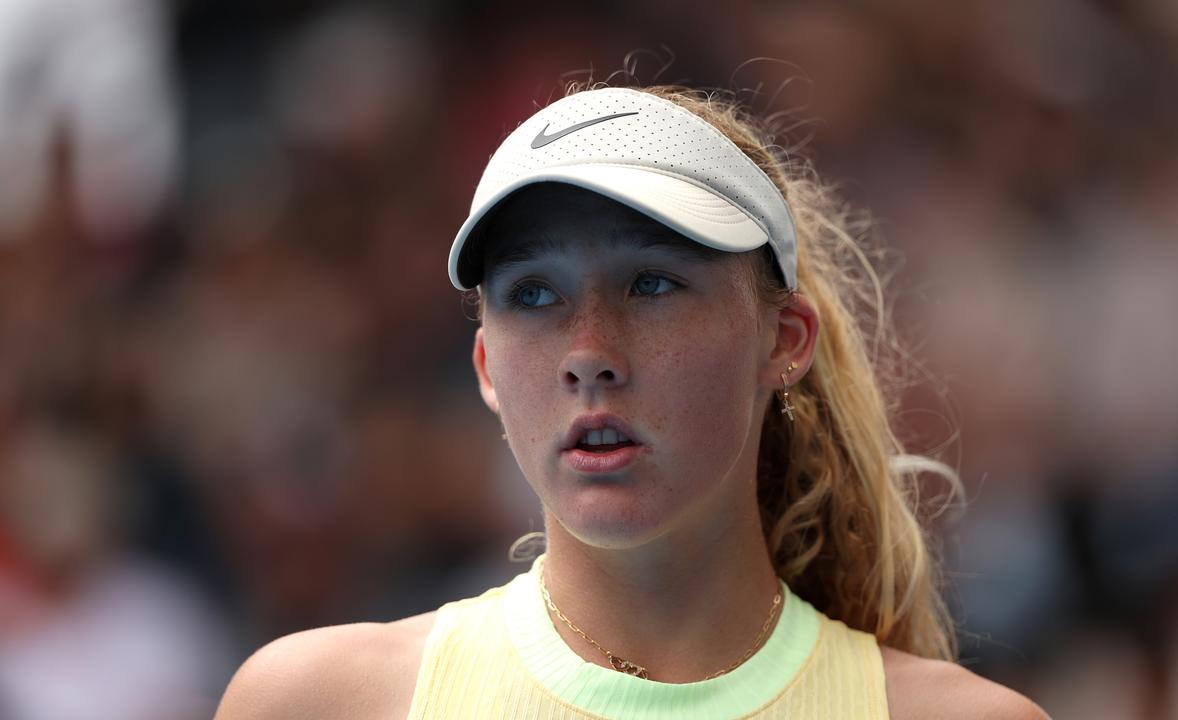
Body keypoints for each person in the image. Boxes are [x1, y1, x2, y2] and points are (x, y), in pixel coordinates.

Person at [214, 83, 1049, 719]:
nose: (589, 356)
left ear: (786, 339)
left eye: (651, 283)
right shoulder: (311, 704)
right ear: (487, 368)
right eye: (534, 294)